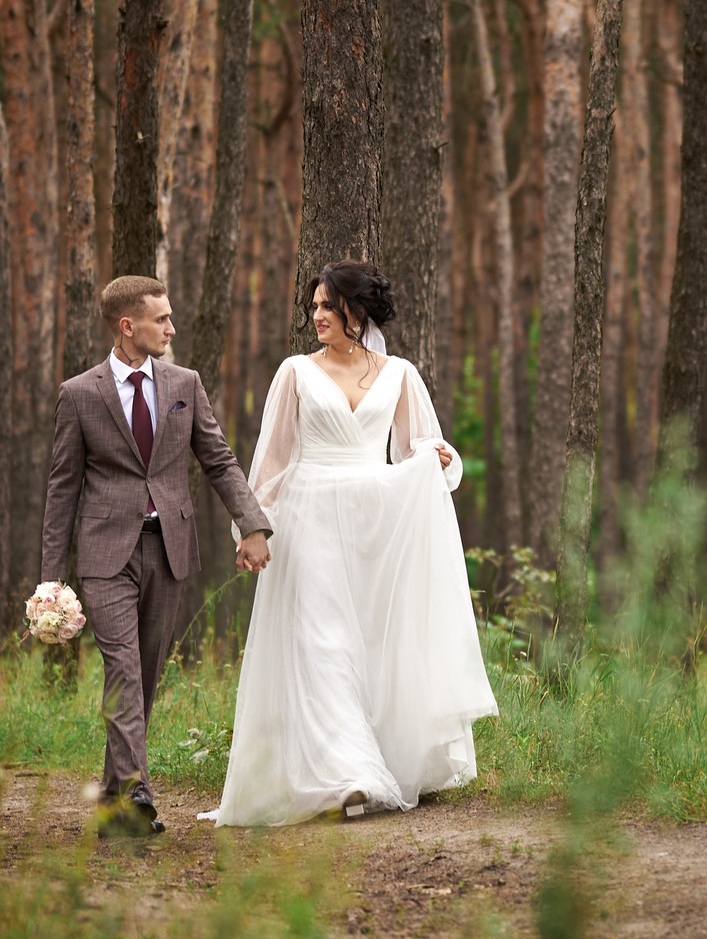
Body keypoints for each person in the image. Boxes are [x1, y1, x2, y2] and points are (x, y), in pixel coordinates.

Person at [202, 261, 497, 827]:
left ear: (356, 312)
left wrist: (440, 458)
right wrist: (253, 527)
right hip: (310, 516)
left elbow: (419, 449)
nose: (316, 316)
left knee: (372, 643)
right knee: (323, 643)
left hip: (375, 525)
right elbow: (272, 459)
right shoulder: (295, 372)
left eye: (326, 306)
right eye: (312, 306)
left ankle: (382, 756)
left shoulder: (401, 374)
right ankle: (349, 776)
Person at [40, 275, 272, 839]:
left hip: (169, 549)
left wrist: (252, 524)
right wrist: (50, 580)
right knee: (122, 668)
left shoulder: (184, 384)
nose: (171, 328)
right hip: (105, 555)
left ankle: (114, 805)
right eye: (161, 319)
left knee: (144, 674)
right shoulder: (80, 394)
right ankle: (137, 789)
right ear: (128, 326)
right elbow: (63, 487)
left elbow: (218, 459)